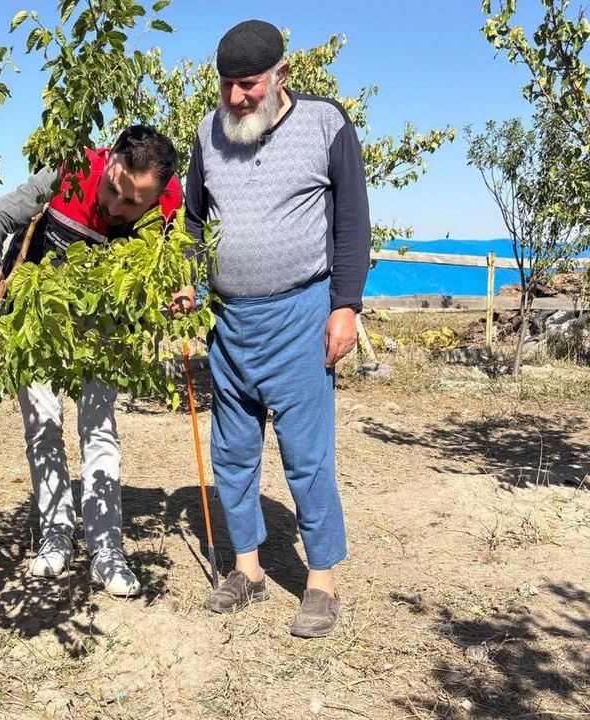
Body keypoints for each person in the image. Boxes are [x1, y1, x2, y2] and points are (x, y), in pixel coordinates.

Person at [179, 20, 371, 638]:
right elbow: (193, 221)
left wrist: (345, 306)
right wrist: (190, 281)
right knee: (233, 453)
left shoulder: (325, 123)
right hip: (229, 321)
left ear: (281, 74)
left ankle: (321, 581)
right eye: (227, 85)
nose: (237, 98)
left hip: (301, 315)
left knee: (306, 457)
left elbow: (352, 219)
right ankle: (248, 570)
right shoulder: (207, 135)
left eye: (249, 85)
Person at [0, 125, 182, 597]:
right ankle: (55, 534)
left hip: (101, 335)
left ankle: (107, 547)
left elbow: (179, 261)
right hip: (36, 325)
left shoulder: (170, 204)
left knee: (99, 430)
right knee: (43, 428)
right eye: (113, 189)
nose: (116, 207)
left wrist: (179, 286)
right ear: (109, 161)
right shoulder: (70, 168)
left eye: (133, 203)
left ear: (156, 196)